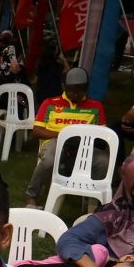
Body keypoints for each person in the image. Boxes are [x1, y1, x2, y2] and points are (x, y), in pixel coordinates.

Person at [25, 67, 108, 207]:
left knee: (103, 161)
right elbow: (36, 131)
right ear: (64, 87)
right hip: (55, 141)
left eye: (79, 90)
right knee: (49, 160)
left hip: (84, 146)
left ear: (86, 88)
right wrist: (63, 135)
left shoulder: (95, 106)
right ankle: (31, 195)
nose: (74, 94)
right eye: (70, 90)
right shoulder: (50, 103)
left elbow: (103, 136)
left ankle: (93, 200)